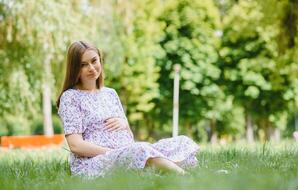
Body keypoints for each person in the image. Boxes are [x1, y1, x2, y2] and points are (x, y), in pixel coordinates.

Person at [56, 41, 200, 178]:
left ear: (100, 60)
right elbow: (75, 145)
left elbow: (129, 137)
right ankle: (185, 177)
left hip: (126, 152)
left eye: (94, 61)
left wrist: (124, 124)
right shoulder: (70, 97)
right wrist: (114, 153)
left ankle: (159, 169)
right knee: (140, 150)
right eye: (83, 64)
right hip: (95, 162)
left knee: (181, 142)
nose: (92, 68)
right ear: (75, 69)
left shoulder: (110, 93)